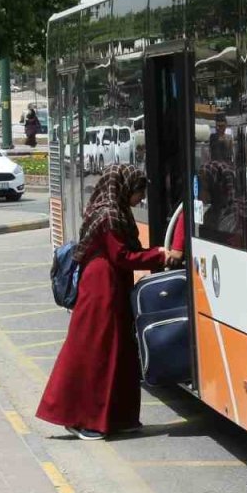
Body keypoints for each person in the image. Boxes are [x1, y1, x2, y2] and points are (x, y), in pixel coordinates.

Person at [36, 165, 183, 440]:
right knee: (97, 354)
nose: (140, 198)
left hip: (113, 286)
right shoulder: (108, 215)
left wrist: (157, 253)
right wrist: (161, 255)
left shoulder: (117, 211)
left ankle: (118, 417)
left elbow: (131, 253)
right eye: (138, 192)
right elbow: (123, 257)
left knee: (121, 353)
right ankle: (85, 420)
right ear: (125, 188)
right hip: (101, 290)